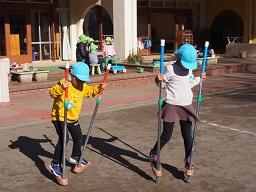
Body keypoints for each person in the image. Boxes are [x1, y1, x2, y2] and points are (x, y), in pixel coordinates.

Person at [149, 43, 206, 175]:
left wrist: (199, 79)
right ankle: (153, 154)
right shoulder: (170, 69)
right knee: (167, 135)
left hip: (186, 105)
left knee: (187, 135)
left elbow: (189, 83)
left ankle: (188, 159)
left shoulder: (189, 70)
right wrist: (158, 80)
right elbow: (162, 85)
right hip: (172, 105)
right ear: (179, 58)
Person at [49, 62, 106, 178]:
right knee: (64, 139)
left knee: (78, 137)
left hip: (73, 117)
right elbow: (52, 93)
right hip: (60, 116)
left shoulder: (82, 86)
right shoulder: (64, 83)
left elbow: (89, 92)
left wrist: (99, 88)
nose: (82, 83)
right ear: (72, 76)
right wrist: (61, 88)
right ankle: (55, 164)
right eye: (80, 80)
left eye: (84, 80)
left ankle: (75, 156)